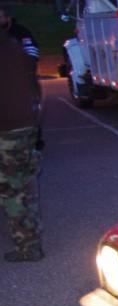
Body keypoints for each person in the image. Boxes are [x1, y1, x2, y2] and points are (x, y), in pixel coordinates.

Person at [0, 23, 43, 262]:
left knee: (11, 191)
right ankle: (33, 240)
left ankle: (27, 246)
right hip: (26, 124)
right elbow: (32, 81)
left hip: (7, 130)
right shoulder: (16, 48)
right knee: (26, 186)